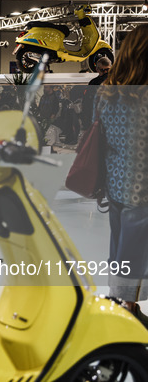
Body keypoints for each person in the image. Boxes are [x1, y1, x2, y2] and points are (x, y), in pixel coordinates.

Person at [96, 24, 148, 328]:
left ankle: (119, 304)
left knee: (120, 246)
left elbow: (95, 133)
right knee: (134, 249)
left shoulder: (106, 91)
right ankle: (125, 310)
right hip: (142, 187)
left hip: (114, 183)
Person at [80, 57, 112, 130]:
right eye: (103, 70)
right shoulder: (94, 83)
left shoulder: (117, 81)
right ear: (97, 70)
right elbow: (87, 103)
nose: (106, 73)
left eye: (108, 70)